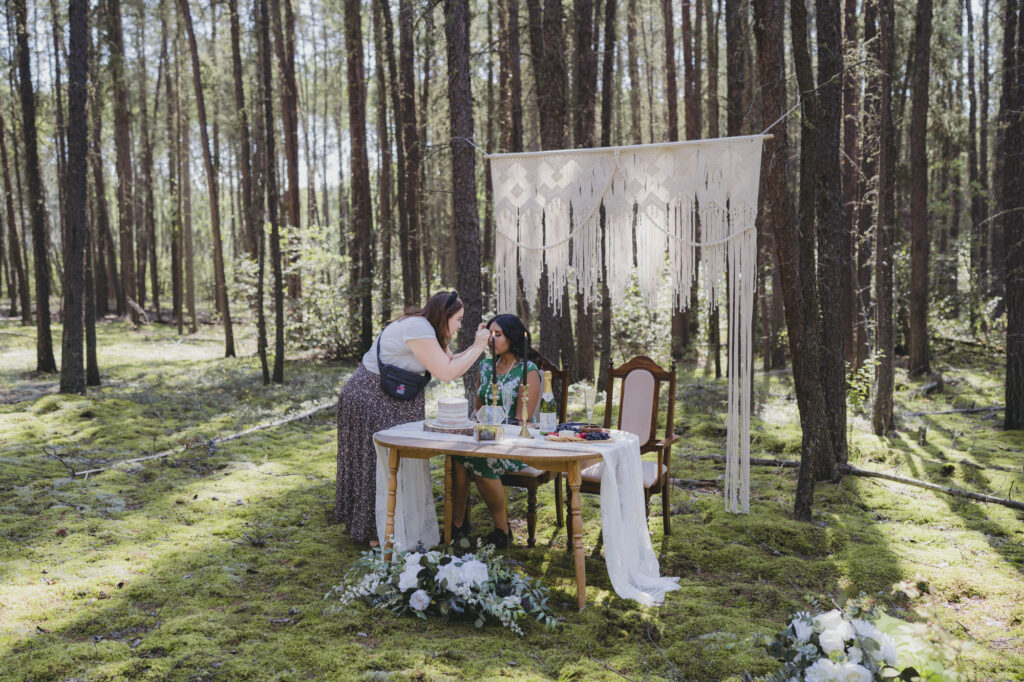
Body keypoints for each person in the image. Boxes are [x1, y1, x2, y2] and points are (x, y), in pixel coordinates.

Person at [335, 290, 491, 545]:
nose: (460, 325)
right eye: (459, 319)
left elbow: (452, 361)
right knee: (380, 463)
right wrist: (478, 347)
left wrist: (475, 347)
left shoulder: (428, 330)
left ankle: (394, 527)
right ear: (446, 315)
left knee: (396, 462)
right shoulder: (419, 328)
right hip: (371, 396)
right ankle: (375, 534)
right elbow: (446, 373)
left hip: (391, 399)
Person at [450, 313, 541, 549]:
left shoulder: (527, 370)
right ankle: (456, 526)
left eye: (498, 335)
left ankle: (502, 529)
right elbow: (478, 410)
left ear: (512, 336)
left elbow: (525, 418)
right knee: (456, 457)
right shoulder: (486, 366)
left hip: (517, 444)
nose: (492, 340)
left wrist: (493, 435)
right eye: (489, 334)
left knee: (483, 461)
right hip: (486, 438)